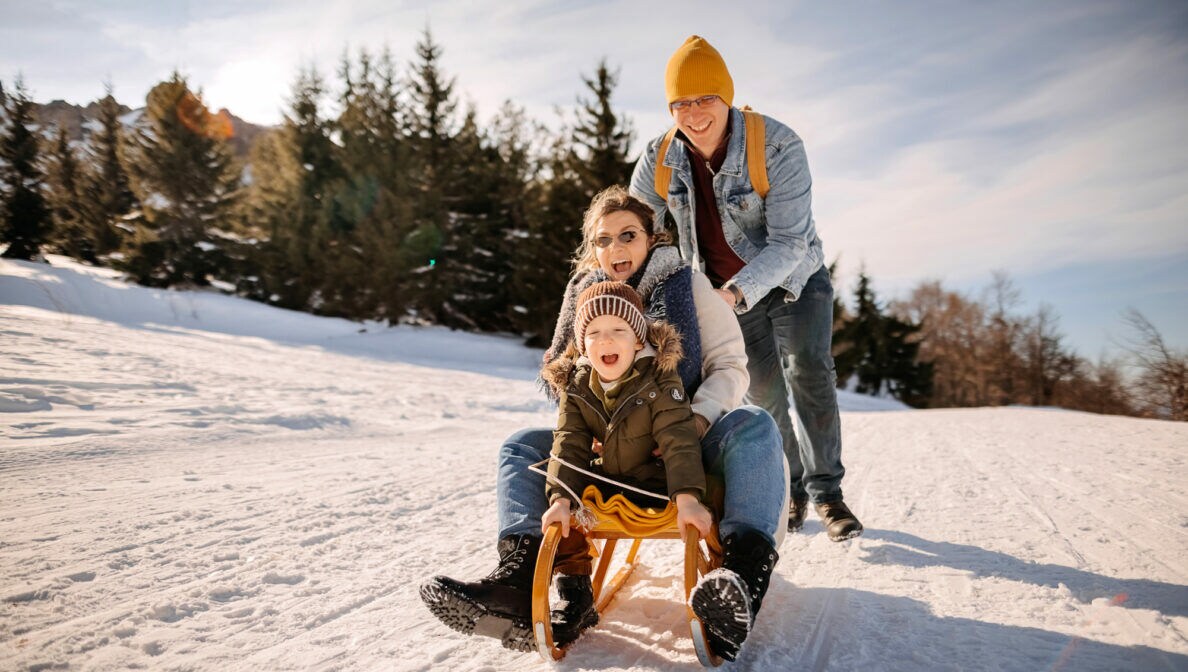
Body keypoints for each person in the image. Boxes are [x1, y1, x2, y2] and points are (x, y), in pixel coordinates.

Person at [420, 186, 788, 661]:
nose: (614, 249)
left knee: (754, 423)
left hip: (687, 435)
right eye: (602, 240)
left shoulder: (687, 285)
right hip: (611, 444)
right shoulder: (584, 298)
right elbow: (571, 389)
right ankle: (518, 578)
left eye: (627, 236)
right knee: (522, 446)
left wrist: (697, 419)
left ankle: (739, 580)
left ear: (652, 239)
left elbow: (732, 366)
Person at [629, 35, 863, 541]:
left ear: (726, 97)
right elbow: (635, 226)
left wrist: (732, 294)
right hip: (722, 292)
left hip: (795, 280)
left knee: (809, 375)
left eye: (705, 99)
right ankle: (794, 489)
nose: (693, 114)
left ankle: (828, 493)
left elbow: (790, 242)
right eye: (681, 103)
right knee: (763, 394)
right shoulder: (661, 157)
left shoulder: (777, 145)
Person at [539, 280, 714, 639]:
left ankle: (722, 586)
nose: (605, 340)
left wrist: (687, 499)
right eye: (594, 332)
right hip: (611, 478)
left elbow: (678, 438)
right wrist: (559, 499)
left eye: (618, 329)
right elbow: (569, 442)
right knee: (564, 497)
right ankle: (574, 589)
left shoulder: (662, 377)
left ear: (637, 338)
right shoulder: (577, 384)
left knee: (717, 489)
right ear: (583, 344)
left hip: (657, 483)